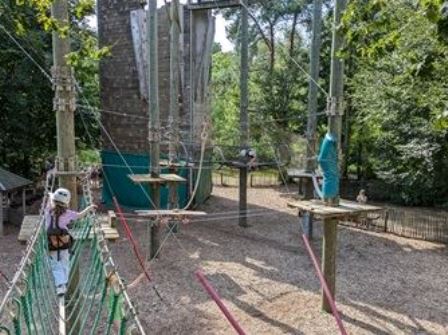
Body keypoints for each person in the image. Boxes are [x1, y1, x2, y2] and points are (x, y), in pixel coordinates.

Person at [46, 188, 96, 296]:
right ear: (67, 202)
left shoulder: (48, 211)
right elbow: (80, 215)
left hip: (51, 243)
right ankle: (63, 284)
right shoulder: (68, 213)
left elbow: (51, 201)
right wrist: (89, 208)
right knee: (65, 263)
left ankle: (59, 286)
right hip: (64, 243)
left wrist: (50, 195)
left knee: (55, 264)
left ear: (54, 201)